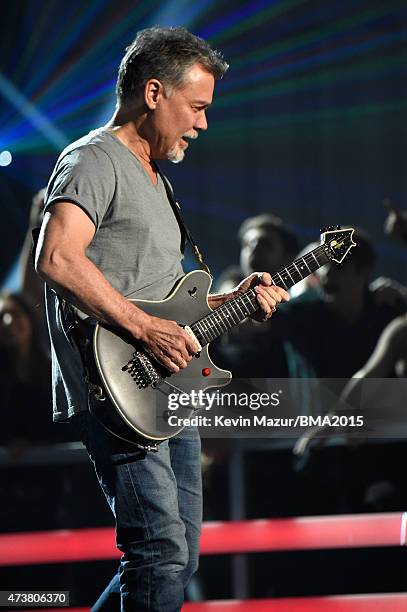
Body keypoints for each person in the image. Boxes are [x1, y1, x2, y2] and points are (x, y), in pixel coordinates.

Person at [35, 26, 289, 611]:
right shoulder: (94, 160)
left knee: (176, 556)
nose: (202, 124)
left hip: (169, 386)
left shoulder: (159, 183)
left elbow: (167, 301)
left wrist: (236, 301)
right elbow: (57, 257)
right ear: (154, 93)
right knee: (159, 553)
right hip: (118, 387)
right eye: (196, 107)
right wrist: (143, 329)